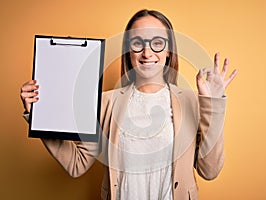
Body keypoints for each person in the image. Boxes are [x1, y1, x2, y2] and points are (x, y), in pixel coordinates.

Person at [20, 9, 238, 200]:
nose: (147, 52)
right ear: (128, 50)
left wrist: (214, 103)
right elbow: (76, 164)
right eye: (137, 43)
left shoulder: (192, 101)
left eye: (157, 42)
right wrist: (40, 115)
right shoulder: (106, 103)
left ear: (169, 51)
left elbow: (209, 171)